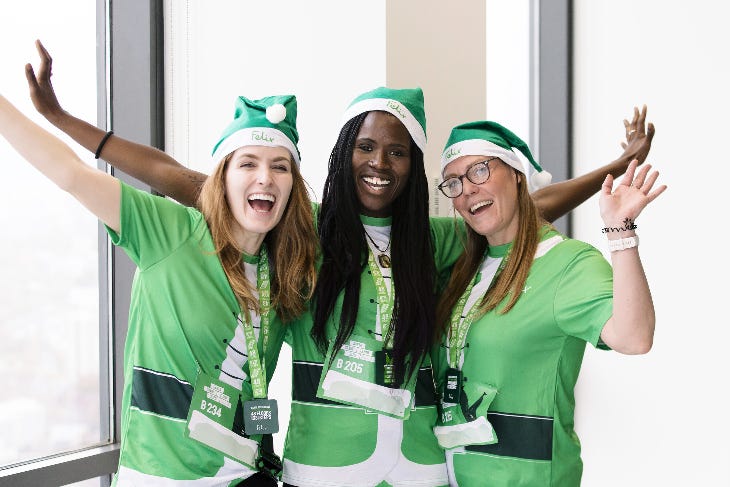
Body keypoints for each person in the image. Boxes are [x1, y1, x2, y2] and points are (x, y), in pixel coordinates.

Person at [25, 41, 654, 487]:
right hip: (325, 463)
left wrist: (613, 169)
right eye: (365, 146)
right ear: (342, 154)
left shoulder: (434, 243)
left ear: (414, 166)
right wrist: (64, 120)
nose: (380, 162)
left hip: (422, 463)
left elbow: (525, 203)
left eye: (399, 151)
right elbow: (185, 180)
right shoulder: (305, 230)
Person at [0, 88, 318, 486]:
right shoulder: (171, 234)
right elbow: (71, 174)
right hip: (157, 477)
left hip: (245, 476)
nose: (264, 177)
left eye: (280, 167)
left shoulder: (289, 267)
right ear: (223, 177)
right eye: (247, 163)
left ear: (293, 186)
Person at [432, 121, 665, 486]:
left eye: (480, 170)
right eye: (454, 182)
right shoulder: (461, 268)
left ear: (517, 175)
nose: (468, 190)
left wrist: (621, 232)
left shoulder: (566, 264)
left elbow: (634, 337)